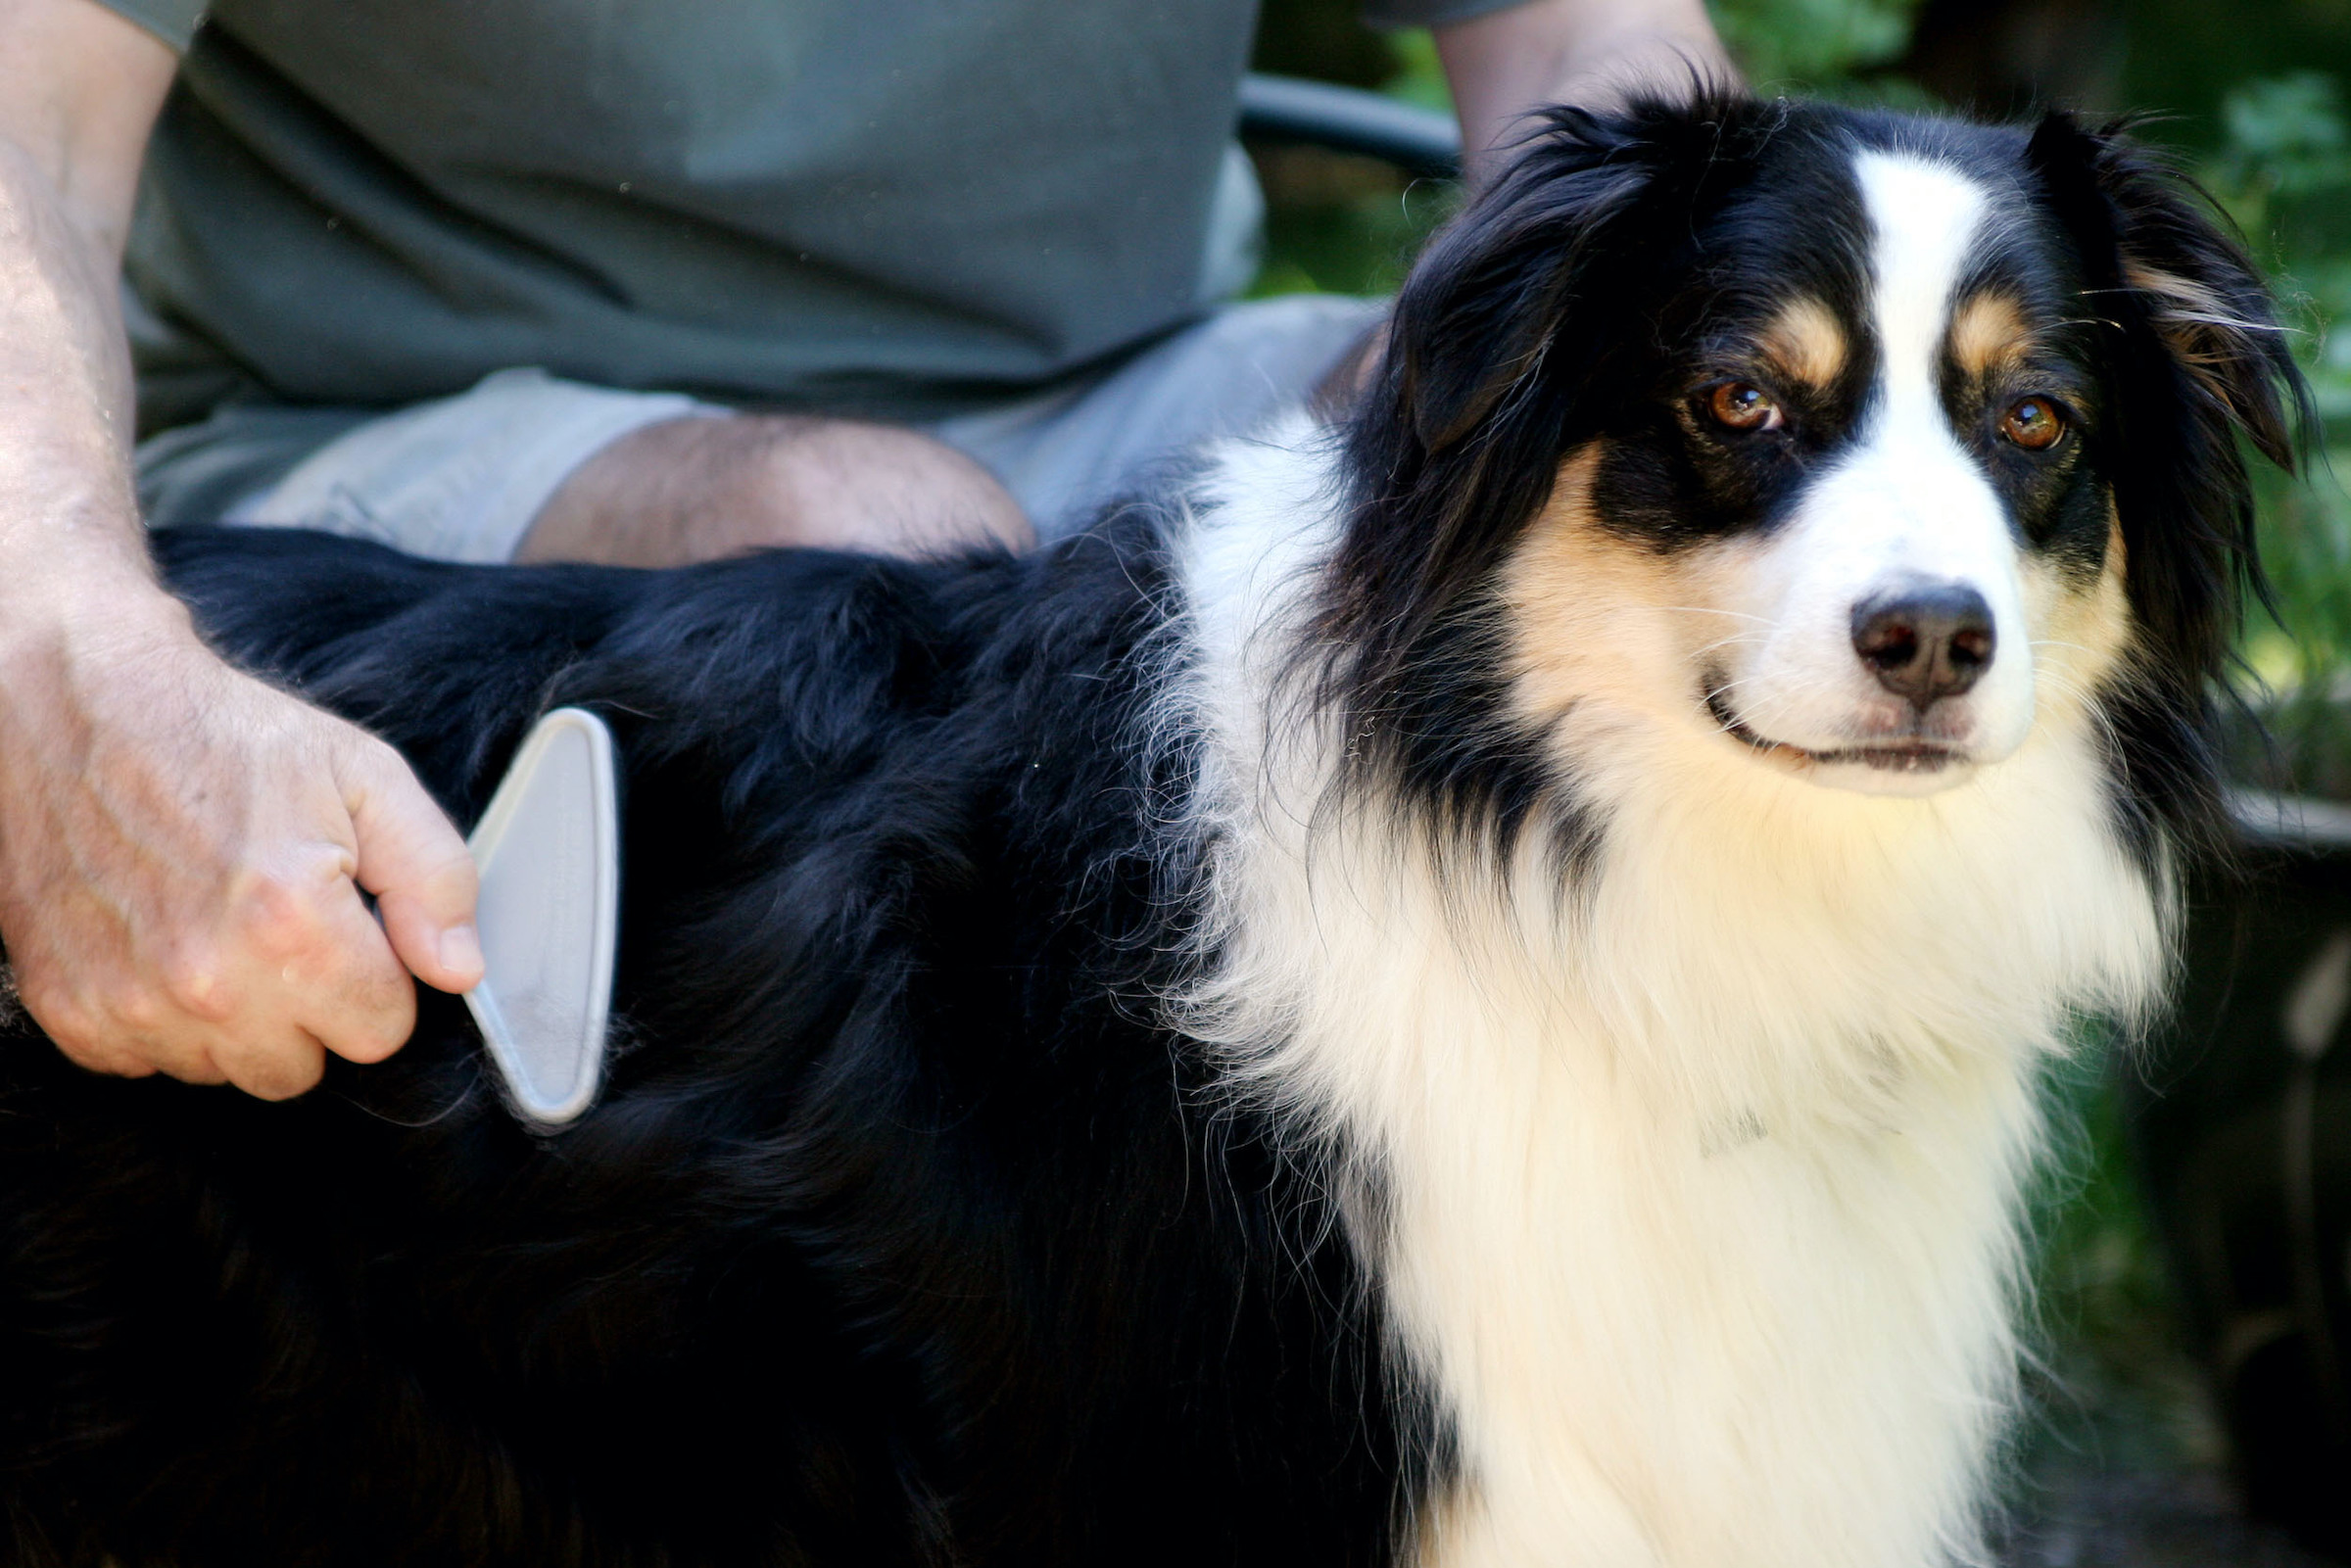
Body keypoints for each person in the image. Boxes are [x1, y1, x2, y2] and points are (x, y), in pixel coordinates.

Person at [0, 0, 1730, 1102]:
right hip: (403, 417)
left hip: (1128, 388)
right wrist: (61, 640)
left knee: (1591, 528)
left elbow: (1598, 50)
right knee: (870, 561)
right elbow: (29, 134)